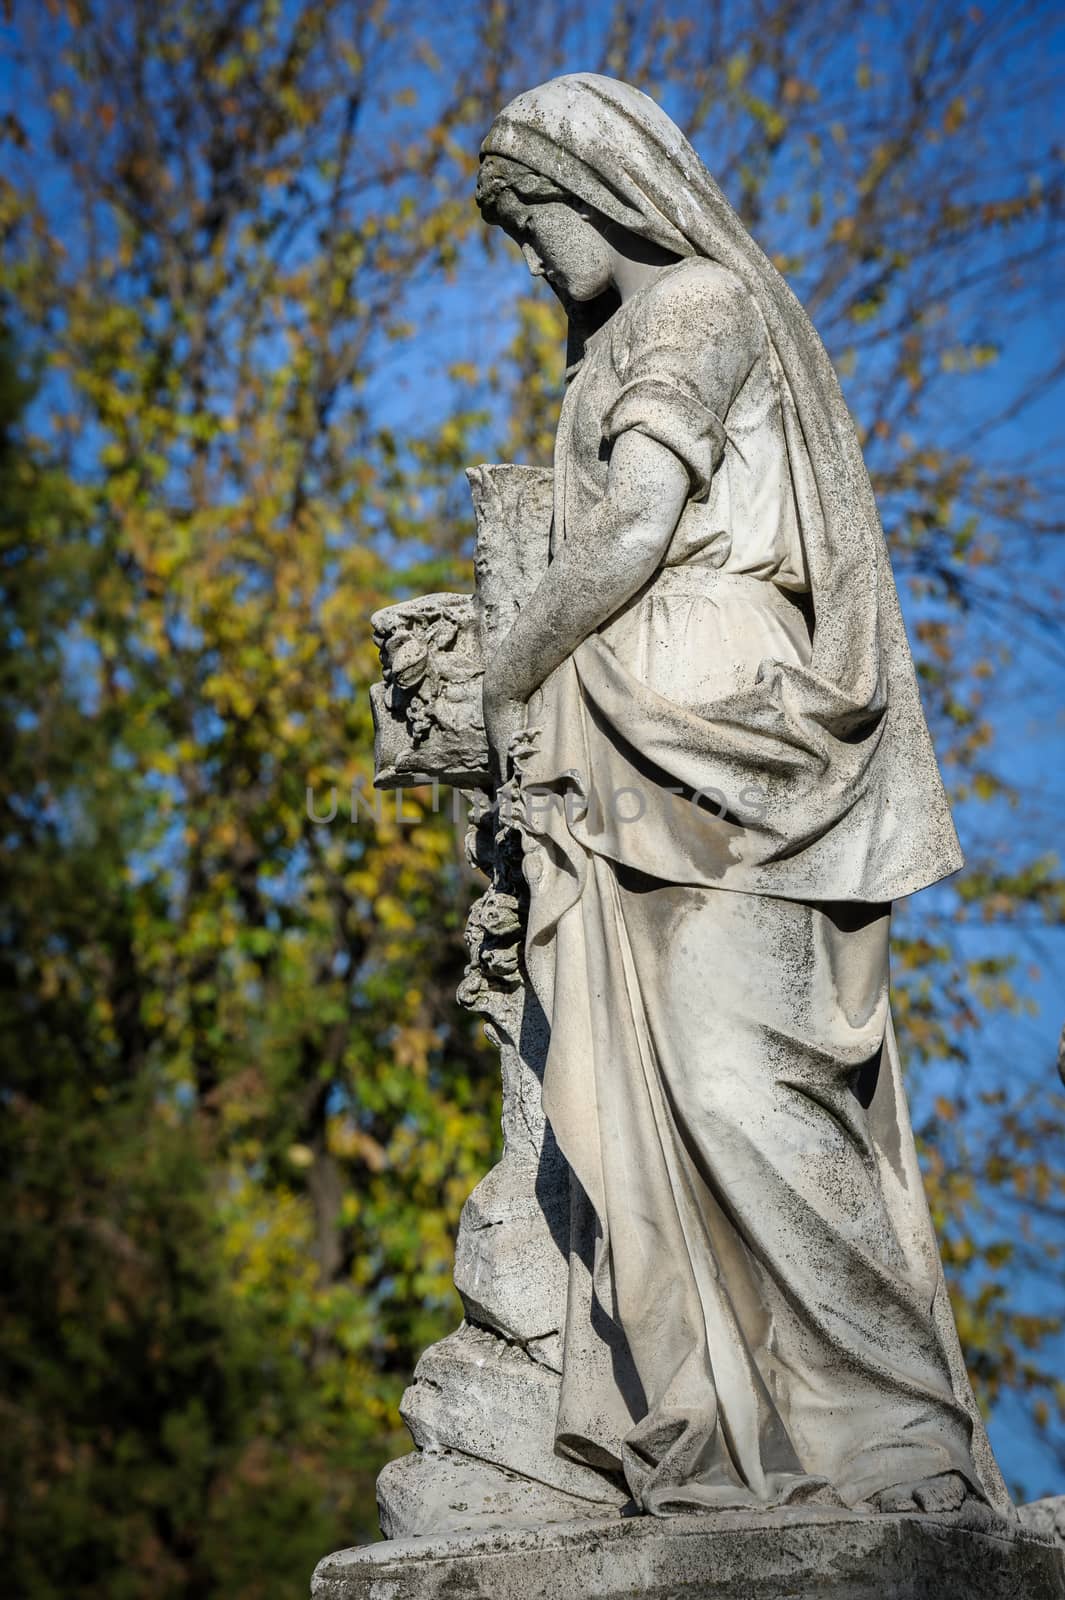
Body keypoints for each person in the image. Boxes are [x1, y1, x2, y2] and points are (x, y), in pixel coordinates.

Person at [474, 73, 1011, 1519]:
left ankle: (892, 1435)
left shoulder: (696, 303)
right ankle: (709, 1421)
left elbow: (642, 527)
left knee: (740, 1082)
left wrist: (500, 664)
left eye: (528, 217)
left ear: (599, 189)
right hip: (620, 732)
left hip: (718, 718)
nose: (523, 254)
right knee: (632, 1096)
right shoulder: (601, 354)